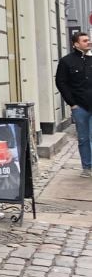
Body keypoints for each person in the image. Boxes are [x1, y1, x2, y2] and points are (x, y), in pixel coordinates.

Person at [55, 31, 92, 176]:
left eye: (88, 40)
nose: (88, 42)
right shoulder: (66, 61)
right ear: (76, 44)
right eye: (84, 41)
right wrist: (72, 103)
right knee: (83, 138)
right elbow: (61, 82)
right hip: (79, 107)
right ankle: (87, 167)